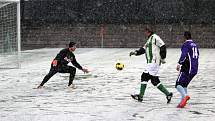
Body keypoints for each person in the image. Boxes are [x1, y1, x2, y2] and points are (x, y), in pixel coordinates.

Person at [130, 27, 173, 103]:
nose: (145, 33)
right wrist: (135, 52)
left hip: (154, 62)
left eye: (145, 31)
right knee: (154, 80)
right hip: (152, 63)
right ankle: (168, 94)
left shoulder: (155, 37)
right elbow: (143, 49)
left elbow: (163, 46)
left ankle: (141, 96)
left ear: (148, 31)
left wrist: (163, 57)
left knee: (144, 76)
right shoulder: (149, 40)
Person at [175, 31, 199, 108]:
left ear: (184, 37)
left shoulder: (186, 44)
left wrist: (179, 63)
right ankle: (182, 103)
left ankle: (185, 97)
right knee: (184, 84)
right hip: (194, 68)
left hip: (187, 68)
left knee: (178, 84)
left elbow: (184, 55)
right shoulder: (195, 45)